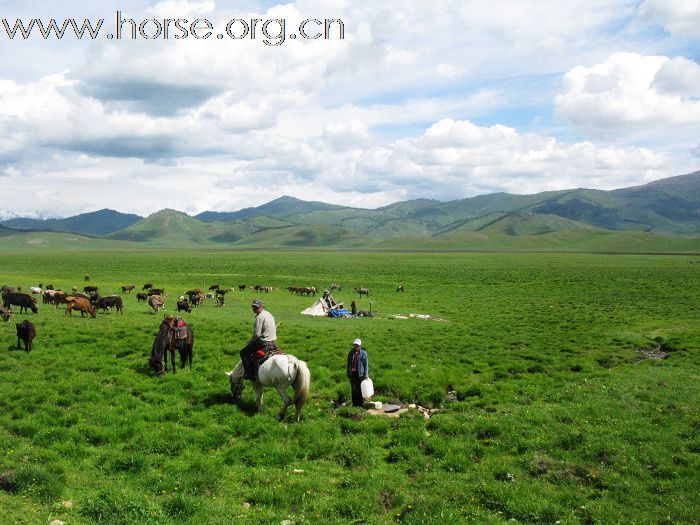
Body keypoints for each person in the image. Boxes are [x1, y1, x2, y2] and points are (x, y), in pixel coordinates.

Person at [240, 299, 277, 380]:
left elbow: (256, 335)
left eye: (256, 307)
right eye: (253, 306)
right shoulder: (269, 314)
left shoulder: (259, 317)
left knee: (243, 352)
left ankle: (250, 374)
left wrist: (249, 342)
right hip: (272, 342)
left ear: (261, 306)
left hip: (263, 342)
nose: (254, 308)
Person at [346, 338, 368, 407]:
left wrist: (366, 375)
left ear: (360, 345)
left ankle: (360, 403)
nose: (356, 346)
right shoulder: (350, 353)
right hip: (352, 374)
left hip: (360, 374)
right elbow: (348, 364)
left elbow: (366, 365)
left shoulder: (364, 353)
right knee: (353, 389)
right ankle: (354, 404)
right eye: (355, 345)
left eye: (357, 345)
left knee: (360, 389)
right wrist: (348, 373)